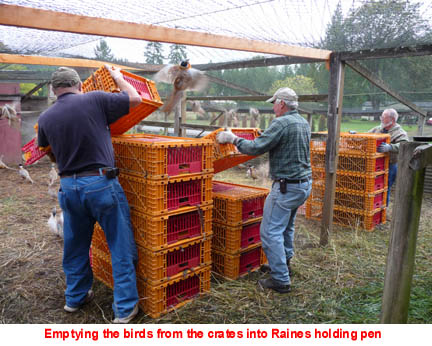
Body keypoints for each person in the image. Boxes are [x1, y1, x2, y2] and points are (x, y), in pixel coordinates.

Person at [37, 66, 142, 323]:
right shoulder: (94, 98)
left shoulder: (46, 118)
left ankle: (75, 298)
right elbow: (136, 99)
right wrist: (119, 78)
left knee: (75, 245)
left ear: (53, 90)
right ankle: (125, 307)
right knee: (119, 244)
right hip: (100, 183)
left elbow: (44, 149)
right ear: (80, 84)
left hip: (69, 188)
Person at [216, 87, 312, 293]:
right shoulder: (302, 122)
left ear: (282, 103)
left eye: (274, 103)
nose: (273, 108)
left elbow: (253, 149)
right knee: (286, 228)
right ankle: (284, 264)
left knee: (270, 232)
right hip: (303, 184)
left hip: (287, 187)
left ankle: (280, 279)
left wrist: (232, 139)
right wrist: (265, 136)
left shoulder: (281, 122)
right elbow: (282, 143)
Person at [368, 108, 409, 206]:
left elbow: (404, 145)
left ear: (393, 120)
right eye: (381, 116)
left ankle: (383, 209)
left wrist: (390, 147)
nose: (381, 119)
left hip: (389, 165)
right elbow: (366, 135)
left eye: (384, 117)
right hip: (374, 164)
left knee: (385, 187)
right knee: (372, 187)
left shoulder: (400, 133)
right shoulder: (377, 129)